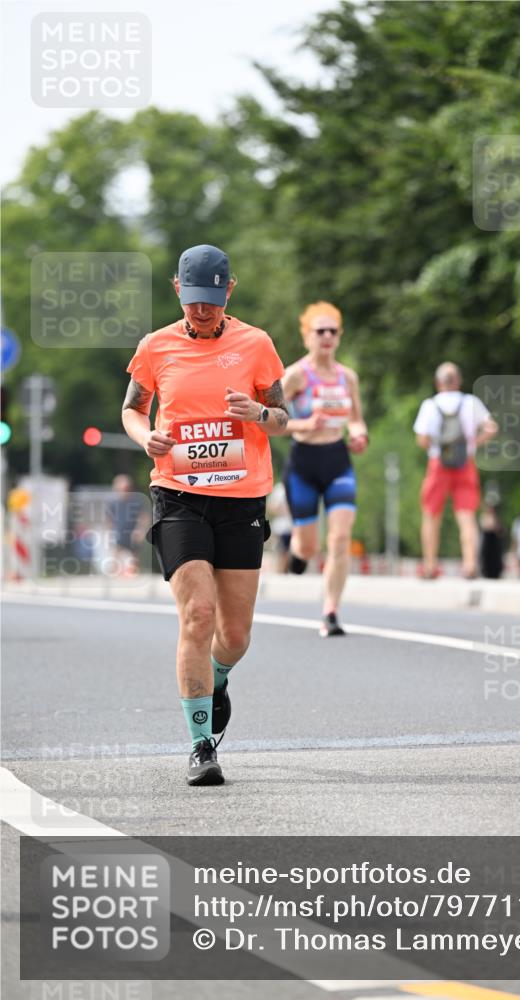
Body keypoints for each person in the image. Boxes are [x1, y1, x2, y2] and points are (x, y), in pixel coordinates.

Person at [121, 244, 287, 785]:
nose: (203, 312)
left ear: (229, 291)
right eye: (194, 302)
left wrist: (260, 413)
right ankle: (200, 747)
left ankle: (217, 679)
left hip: (241, 499)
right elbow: (131, 407)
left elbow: (286, 418)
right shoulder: (155, 348)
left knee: (234, 636)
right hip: (178, 494)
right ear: (177, 291)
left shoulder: (257, 345)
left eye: (212, 302)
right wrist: (148, 437)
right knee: (197, 615)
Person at [281, 301, 368, 636]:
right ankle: (298, 554)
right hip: (303, 464)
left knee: (341, 537)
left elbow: (357, 420)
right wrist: (304, 424)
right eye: (321, 331)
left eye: (334, 331)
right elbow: (271, 421)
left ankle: (331, 611)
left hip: (337, 461)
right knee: (308, 547)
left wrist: (359, 435)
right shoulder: (295, 376)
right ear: (307, 337)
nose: (328, 336)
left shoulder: (348, 378)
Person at [413, 362, 498, 579]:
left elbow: (422, 439)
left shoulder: (430, 405)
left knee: (431, 515)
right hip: (464, 464)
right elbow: (491, 428)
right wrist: (473, 443)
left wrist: (438, 446)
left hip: (438, 465)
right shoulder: (470, 402)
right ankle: (469, 564)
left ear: (438, 382)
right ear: (458, 381)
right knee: (467, 515)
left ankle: (430, 565)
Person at [106, 474, 149, 576]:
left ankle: (133, 574)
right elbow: (109, 520)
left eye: (126, 488)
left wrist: (140, 530)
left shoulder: (137, 501)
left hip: (133, 534)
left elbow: (144, 517)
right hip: (120, 533)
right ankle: (115, 574)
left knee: (134, 555)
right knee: (116, 554)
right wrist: (109, 532)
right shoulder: (113, 503)